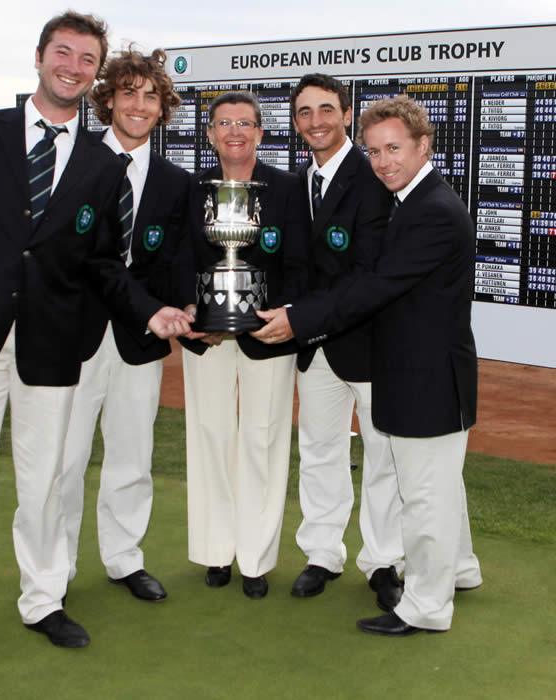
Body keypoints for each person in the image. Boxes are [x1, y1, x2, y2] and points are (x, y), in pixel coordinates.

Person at [0, 11, 190, 688]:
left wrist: (152, 311)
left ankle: (44, 600)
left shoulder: (100, 163)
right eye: (63, 52)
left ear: (94, 74)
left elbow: (104, 263)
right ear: (38, 57)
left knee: (46, 484)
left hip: (54, 348)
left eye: (87, 59)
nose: (73, 67)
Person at [0, 48, 189, 603]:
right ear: (107, 100)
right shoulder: (74, 160)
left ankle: (124, 558)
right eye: (128, 92)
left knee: (132, 457)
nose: (139, 105)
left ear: (163, 109)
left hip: (140, 335)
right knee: (62, 461)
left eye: (151, 96)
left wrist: (189, 307)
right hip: (70, 332)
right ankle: (57, 569)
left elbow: (175, 262)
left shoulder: (176, 181)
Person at [254, 94, 482, 634]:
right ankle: (462, 568)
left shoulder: (431, 211)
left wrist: (297, 318)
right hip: (421, 370)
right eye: (375, 151)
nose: (383, 162)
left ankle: (426, 607)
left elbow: (377, 286)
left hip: (425, 377)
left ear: (424, 145)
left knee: (423, 494)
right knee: (438, 483)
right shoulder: (413, 201)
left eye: (394, 149)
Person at [176, 91, 310, 599]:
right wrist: (194, 312)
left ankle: (255, 558)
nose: (234, 131)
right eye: (224, 123)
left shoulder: (288, 188)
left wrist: (275, 314)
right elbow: (177, 259)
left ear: (260, 133)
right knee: (210, 434)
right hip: (206, 334)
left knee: (263, 438)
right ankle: (216, 550)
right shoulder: (191, 190)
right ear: (210, 134)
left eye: (245, 123)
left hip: (268, 333)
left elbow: (300, 262)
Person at [288, 74, 404, 611]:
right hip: (314, 346)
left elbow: (368, 273)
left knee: (382, 454)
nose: (316, 121)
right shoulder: (296, 184)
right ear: (295, 121)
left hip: (369, 341)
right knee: (319, 450)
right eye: (305, 112)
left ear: (346, 113)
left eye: (326, 109)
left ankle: (383, 560)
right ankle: (322, 553)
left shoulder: (375, 178)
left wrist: (298, 318)